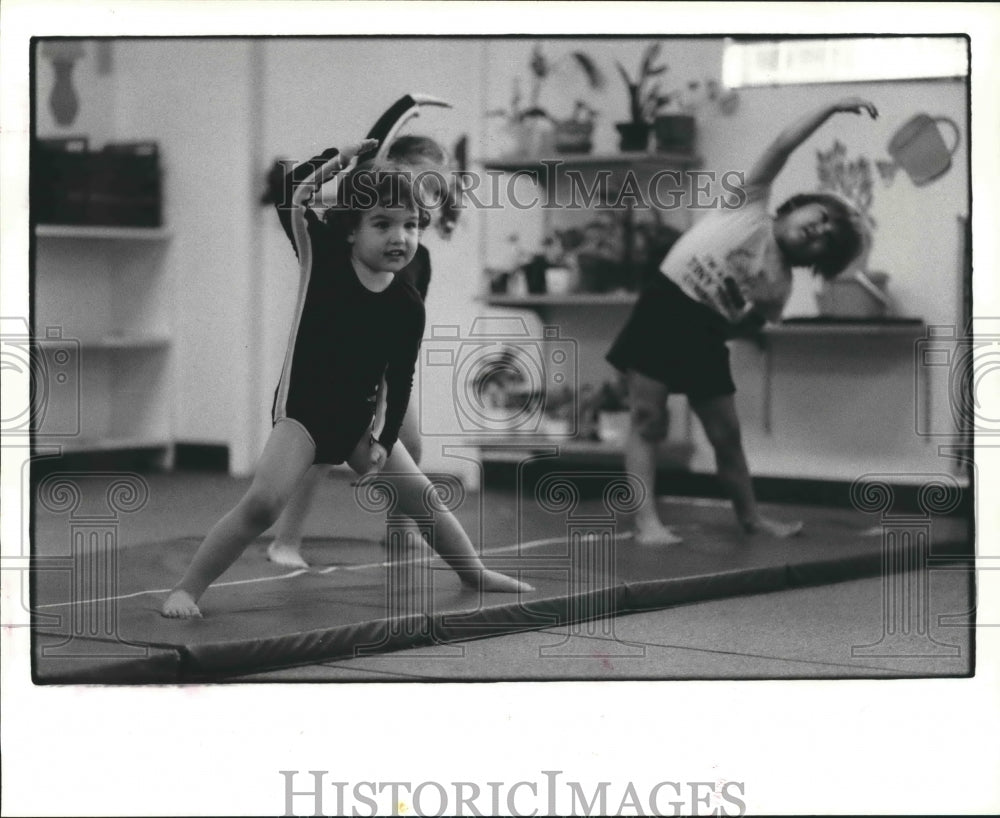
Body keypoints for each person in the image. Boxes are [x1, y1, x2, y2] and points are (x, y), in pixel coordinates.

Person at [162, 141, 530, 618]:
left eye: (411, 226)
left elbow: (400, 380)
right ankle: (188, 589)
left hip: (357, 423)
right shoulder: (323, 261)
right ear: (352, 229)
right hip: (304, 417)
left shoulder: (406, 305)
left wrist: (385, 437)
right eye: (383, 225)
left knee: (422, 496)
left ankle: (474, 571)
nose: (400, 238)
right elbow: (292, 194)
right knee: (263, 504)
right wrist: (339, 159)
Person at [606, 97, 878, 546]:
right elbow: (781, 145)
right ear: (796, 206)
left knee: (727, 435)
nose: (819, 231)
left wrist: (734, 316)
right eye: (821, 218)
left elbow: (750, 324)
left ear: (817, 262)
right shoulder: (747, 204)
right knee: (647, 417)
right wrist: (830, 107)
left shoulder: (780, 287)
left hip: (707, 332)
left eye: (826, 241)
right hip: (665, 307)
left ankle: (750, 518)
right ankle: (646, 522)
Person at [265, 133, 456, 569]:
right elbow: (295, 203)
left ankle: (400, 526)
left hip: (381, 365)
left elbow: (407, 320)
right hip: (332, 364)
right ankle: (286, 540)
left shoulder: (419, 256)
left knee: (409, 442)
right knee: (317, 454)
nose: (425, 196)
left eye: (433, 188)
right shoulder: (346, 243)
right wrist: (341, 160)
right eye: (419, 181)